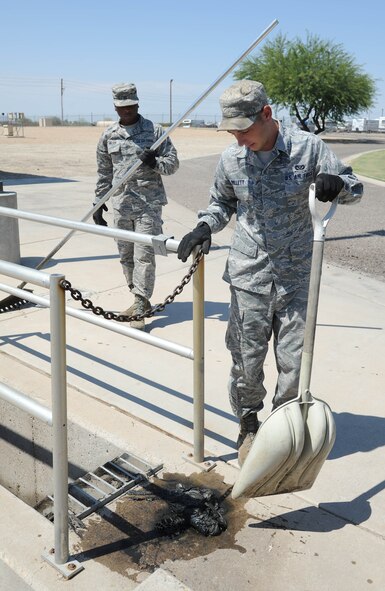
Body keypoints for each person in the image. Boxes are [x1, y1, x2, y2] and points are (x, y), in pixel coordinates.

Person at [177, 80, 363, 466]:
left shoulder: (308, 149)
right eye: (233, 131)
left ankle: (282, 431)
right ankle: (248, 426)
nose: (241, 139)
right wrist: (204, 227)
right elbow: (221, 202)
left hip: (297, 276)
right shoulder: (231, 159)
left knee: (294, 363)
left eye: (246, 129)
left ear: (267, 114)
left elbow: (354, 187)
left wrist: (337, 184)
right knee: (246, 359)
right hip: (249, 275)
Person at [93, 83, 179, 330]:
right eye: (121, 107)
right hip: (120, 204)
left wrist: (154, 162)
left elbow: (173, 164)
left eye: (130, 106)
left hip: (148, 205)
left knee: (144, 254)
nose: (126, 110)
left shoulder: (155, 131)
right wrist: (98, 203)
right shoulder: (109, 135)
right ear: (115, 107)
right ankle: (137, 295)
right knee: (126, 256)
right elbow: (104, 172)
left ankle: (141, 302)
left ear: (137, 104)